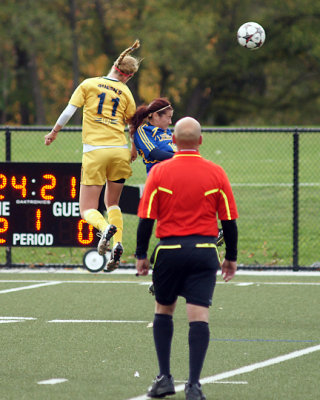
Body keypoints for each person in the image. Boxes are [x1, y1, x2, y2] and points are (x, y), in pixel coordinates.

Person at [135, 117, 238, 400]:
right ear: (201, 141)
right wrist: (231, 257)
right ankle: (193, 385)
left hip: (168, 252)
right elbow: (228, 221)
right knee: (199, 316)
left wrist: (141, 255)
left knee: (163, 311)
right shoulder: (216, 172)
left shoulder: (158, 173)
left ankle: (165, 378)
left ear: (174, 142)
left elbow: (145, 218)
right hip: (205, 251)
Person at [44, 39, 141, 271]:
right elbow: (133, 125)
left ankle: (104, 228)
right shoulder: (126, 92)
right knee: (113, 202)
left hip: (95, 152)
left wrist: (54, 132)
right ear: (128, 75)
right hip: (119, 151)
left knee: (87, 208)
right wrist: (134, 149)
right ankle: (117, 243)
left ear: (113, 66)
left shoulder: (89, 84)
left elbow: (69, 111)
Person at [129, 97, 176, 174]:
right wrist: (180, 157)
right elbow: (156, 154)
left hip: (175, 170)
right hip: (160, 174)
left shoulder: (167, 131)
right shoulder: (144, 130)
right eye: (168, 117)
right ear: (156, 115)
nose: (170, 122)